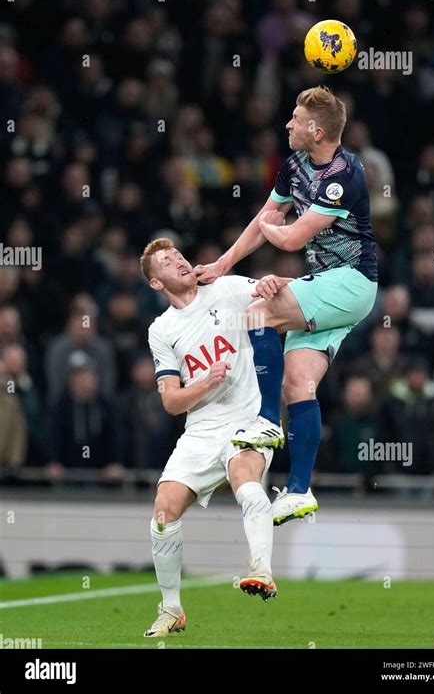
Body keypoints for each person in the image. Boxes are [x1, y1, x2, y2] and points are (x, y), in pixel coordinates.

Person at [195, 86, 378, 525]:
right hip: (327, 288)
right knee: (297, 384)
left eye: (295, 119)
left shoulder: (345, 174)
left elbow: (290, 236)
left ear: (316, 130)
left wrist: (272, 225)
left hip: (352, 283)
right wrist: (224, 262)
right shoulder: (294, 166)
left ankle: (263, 421)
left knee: (258, 309)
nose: (288, 124)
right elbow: (267, 221)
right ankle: (298, 491)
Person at [140, 237, 277, 639]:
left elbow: (282, 291)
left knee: (246, 481)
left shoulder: (226, 288)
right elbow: (170, 402)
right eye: (167, 262)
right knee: (164, 511)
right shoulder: (161, 330)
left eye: (179, 254)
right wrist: (203, 383)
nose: (180, 261)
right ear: (156, 283)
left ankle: (262, 570)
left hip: (247, 417)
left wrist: (273, 283)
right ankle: (171, 609)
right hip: (200, 428)